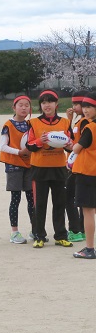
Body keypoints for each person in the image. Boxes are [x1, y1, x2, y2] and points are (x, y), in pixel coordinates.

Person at [26, 89, 74, 249]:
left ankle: (61, 235)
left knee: (60, 202)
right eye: (44, 102)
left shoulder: (65, 123)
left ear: (56, 104)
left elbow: (71, 146)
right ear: (40, 105)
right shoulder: (33, 123)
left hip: (59, 168)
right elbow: (29, 145)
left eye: (50, 101)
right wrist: (41, 140)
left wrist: (68, 145)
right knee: (40, 204)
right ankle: (39, 235)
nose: (47, 105)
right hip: (40, 168)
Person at [0, 94, 35, 244]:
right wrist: (19, 152)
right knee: (16, 198)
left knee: (31, 198)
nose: (24, 108)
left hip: (29, 165)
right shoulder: (8, 124)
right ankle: (15, 232)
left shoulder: (30, 125)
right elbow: (3, 146)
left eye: (27, 105)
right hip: (14, 165)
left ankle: (35, 229)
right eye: (21, 105)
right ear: (14, 107)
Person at [69, 92, 96, 259]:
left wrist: (71, 144)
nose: (86, 110)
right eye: (84, 106)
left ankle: (89, 248)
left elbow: (76, 148)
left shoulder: (90, 127)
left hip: (87, 172)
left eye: (90, 106)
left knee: (88, 211)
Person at [65, 90, 89, 243]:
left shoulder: (85, 122)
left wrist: (69, 147)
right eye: (73, 103)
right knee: (82, 199)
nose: (74, 107)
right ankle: (83, 228)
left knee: (70, 197)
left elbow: (75, 143)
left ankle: (76, 230)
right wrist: (69, 120)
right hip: (78, 164)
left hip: (78, 165)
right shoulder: (79, 121)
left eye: (77, 104)